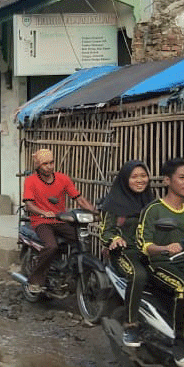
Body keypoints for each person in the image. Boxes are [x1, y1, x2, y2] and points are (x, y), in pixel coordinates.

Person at [136, 158, 184, 367]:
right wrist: (165, 248)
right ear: (168, 181)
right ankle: (181, 343)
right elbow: (144, 243)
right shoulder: (154, 210)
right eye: (182, 178)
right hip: (160, 264)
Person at [21, 148, 97, 293]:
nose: (49, 166)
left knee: (80, 239)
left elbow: (78, 198)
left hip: (60, 220)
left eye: (51, 162)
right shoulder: (31, 181)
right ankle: (35, 280)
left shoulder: (63, 178)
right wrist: (44, 213)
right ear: (38, 166)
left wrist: (94, 211)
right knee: (51, 246)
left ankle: (71, 270)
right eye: (45, 164)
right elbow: (29, 204)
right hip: (41, 221)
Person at [98, 160, 154, 348]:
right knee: (138, 275)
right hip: (123, 253)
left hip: (148, 251)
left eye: (143, 176)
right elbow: (105, 231)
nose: (140, 180)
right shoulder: (114, 202)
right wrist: (114, 239)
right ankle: (131, 325)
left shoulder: (151, 201)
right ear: (125, 179)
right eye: (134, 177)